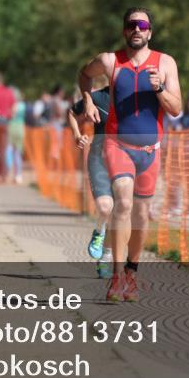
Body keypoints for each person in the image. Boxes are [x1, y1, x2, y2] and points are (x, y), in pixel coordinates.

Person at [78, 7, 183, 302]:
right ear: (124, 30)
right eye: (131, 25)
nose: (136, 29)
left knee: (141, 214)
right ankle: (115, 276)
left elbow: (176, 109)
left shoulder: (165, 63)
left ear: (149, 31)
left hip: (151, 150)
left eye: (142, 25)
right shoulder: (109, 61)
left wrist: (159, 87)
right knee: (123, 201)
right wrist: (87, 100)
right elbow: (84, 75)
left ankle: (132, 275)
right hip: (117, 144)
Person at [67, 78, 113, 278]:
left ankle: (106, 258)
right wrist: (77, 135)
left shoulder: (136, 99)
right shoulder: (98, 97)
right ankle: (99, 231)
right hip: (99, 158)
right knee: (105, 208)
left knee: (120, 212)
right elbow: (71, 112)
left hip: (129, 160)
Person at [7, 87, 26, 184]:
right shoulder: (23, 105)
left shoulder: (14, 105)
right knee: (18, 152)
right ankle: (18, 175)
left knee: (11, 151)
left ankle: (12, 173)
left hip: (13, 127)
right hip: (21, 128)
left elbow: (12, 115)